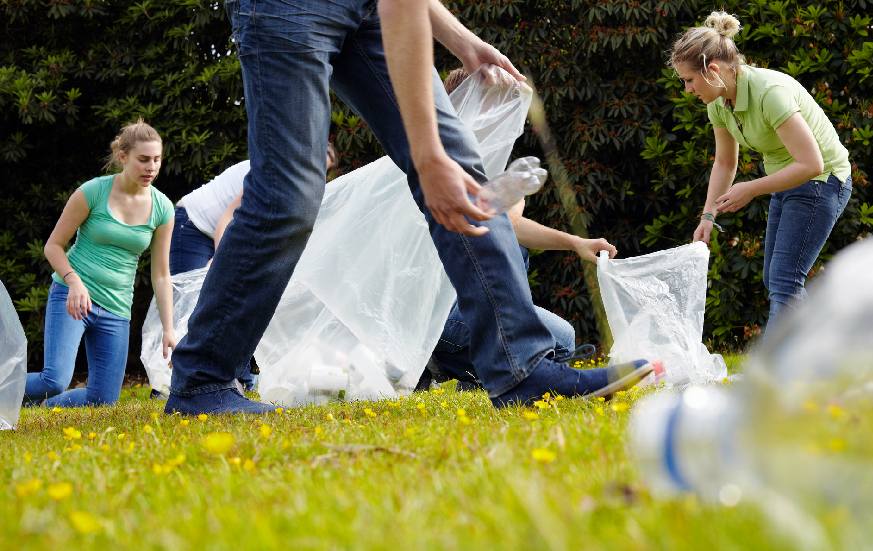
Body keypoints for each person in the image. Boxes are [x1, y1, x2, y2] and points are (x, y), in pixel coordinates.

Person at [164, 0, 652, 414]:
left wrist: (461, 41)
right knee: (288, 198)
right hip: (285, 9)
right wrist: (426, 157)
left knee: (465, 171)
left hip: (372, 8)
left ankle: (520, 369)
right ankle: (203, 380)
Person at [421, 68, 618, 390]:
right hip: (436, 315)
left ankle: (473, 370)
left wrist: (575, 242)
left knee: (561, 335)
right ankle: (443, 360)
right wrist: (514, 194)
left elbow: (512, 226)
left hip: (452, 306)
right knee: (560, 341)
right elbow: (503, 223)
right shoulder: (445, 162)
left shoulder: (468, 157)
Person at [671, 11, 852, 329]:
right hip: (787, 181)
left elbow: (812, 164)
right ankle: (815, 354)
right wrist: (708, 216)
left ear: (712, 70)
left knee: (784, 280)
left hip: (823, 180)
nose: (687, 89)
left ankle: (780, 373)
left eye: (688, 80)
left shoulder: (770, 93)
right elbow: (725, 163)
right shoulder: (719, 102)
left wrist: (751, 188)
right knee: (776, 278)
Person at [24, 119, 176, 407]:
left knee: (103, 400)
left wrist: (169, 329)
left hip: (117, 308)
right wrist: (73, 281)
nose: (151, 167)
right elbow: (53, 246)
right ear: (123, 157)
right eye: (143, 159)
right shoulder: (92, 192)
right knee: (53, 380)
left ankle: (44, 406)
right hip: (72, 297)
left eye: (157, 159)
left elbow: (161, 275)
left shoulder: (162, 208)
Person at [164, 144, 337, 393]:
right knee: (191, 305)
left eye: (326, 169)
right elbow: (229, 217)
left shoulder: (298, 184)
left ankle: (238, 378)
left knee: (237, 302)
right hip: (193, 224)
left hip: (221, 230)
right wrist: (222, 259)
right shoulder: (271, 168)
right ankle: (176, 380)